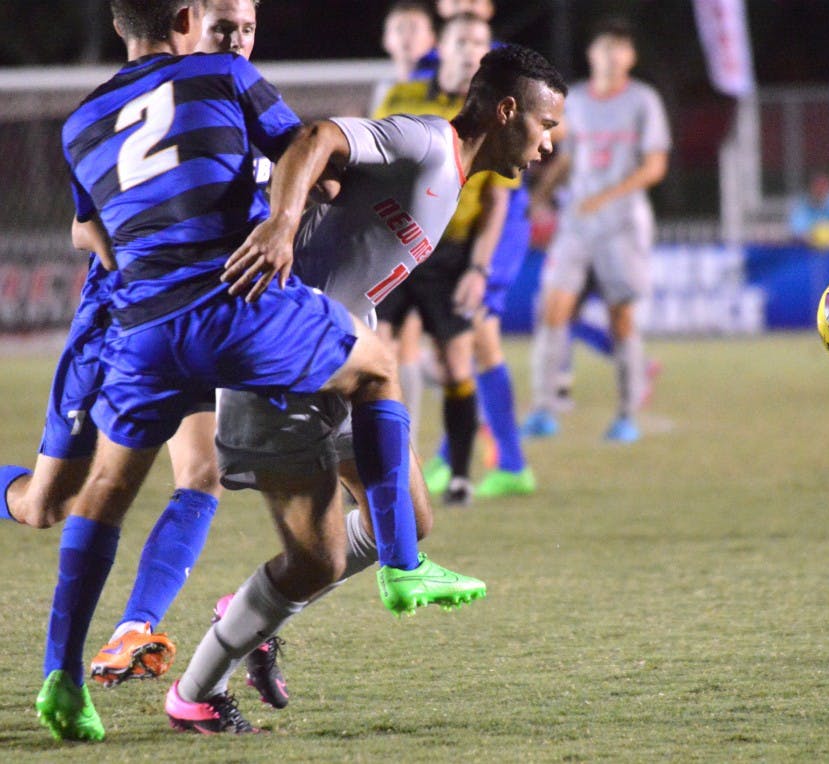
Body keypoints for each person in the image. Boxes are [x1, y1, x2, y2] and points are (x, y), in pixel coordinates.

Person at [35, 0, 483, 742]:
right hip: (236, 302)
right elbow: (317, 164)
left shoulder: (78, 122)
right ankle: (404, 567)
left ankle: (62, 676)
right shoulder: (222, 76)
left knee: (92, 495)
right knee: (377, 366)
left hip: (141, 325)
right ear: (188, 17)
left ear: (121, 27)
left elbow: (94, 233)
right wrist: (278, 208)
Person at [166, 42, 566, 734]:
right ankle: (195, 691)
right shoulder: (423, 141)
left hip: (339, 359)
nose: (549, 144)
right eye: (546, 125)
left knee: (405, 519)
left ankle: (253, 612)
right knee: (316, 559)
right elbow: (318, 137)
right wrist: (282, 224)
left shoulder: (452, 176)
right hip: (280, 361)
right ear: (507, 111)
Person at [1, 0, 260, 699]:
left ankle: (133, 630)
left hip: (191, 323)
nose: (236, 38)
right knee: (45, 506)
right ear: (186, 24)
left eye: (246, 24)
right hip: (118, 322)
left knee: (201, 471)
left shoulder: (238, 97)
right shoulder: (148, 105)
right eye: (222, 25)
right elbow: (84, 233)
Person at [372, 13, 516, 505]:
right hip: (396, 243)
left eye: (479, 41)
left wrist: (479, 268)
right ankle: (381, 471)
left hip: (449, 254)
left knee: (457, 365)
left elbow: (497, 201)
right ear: (444, 46)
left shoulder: (496, 113)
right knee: (377, 357)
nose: (471, 49)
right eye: (462, 40)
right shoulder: (403, 97)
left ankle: (457, 475)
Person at [522, 17, 669, 443]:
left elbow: (655, 166)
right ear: (592, 55)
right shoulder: (579, 100)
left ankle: (626, 414)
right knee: (552, 310)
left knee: (620, 318)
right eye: (603, 48)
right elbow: (570, 155)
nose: (610, 56)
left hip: (622, 227)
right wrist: (541, 193)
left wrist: (607, 197)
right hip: (577, 224)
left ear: (630, 57)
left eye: (618, 49)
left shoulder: (643, 100)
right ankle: (544, 409)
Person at [370, 1, 437, 114]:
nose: (406, 36)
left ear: (432, 38)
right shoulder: (383, 89)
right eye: (399, 29)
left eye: (414, 29)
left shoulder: (443, 87)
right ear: (386, 39)